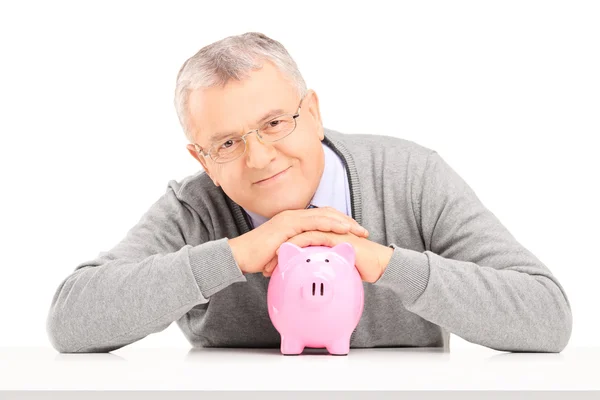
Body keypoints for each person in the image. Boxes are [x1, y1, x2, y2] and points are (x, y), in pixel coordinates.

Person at [46, 32, 572, 354]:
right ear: (202, 159)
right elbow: (71, 322)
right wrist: (238, 253)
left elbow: (547, 317)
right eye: (227, 142)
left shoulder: (411, 177)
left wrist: (383, 262)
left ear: (314, 113)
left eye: (275, 122)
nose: (260, 157)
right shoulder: (195, 206)